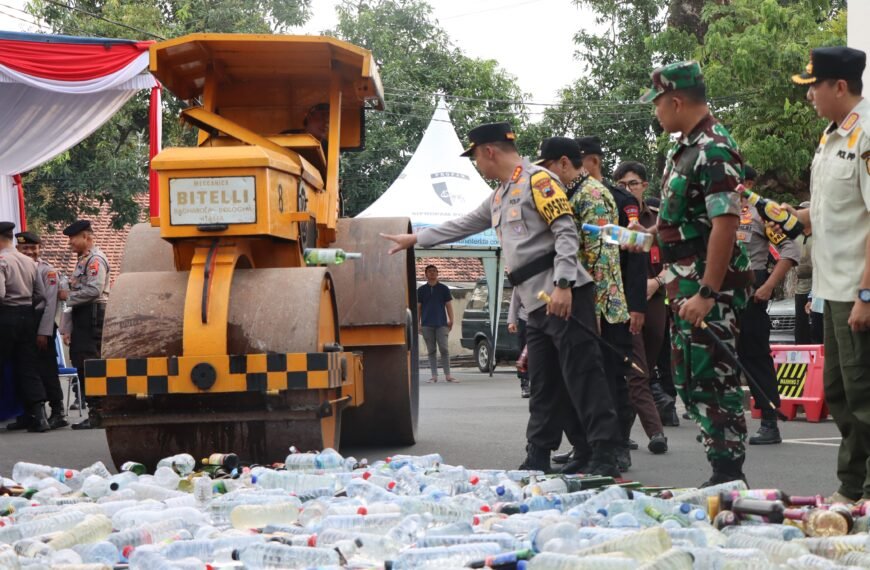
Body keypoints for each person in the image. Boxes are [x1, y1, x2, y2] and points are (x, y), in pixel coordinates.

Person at [382, 122, 622, 476]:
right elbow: (462, 224)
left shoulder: (538, 181)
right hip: (534, 301)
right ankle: (540, 454)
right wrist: (415, 239)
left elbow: (566, 232)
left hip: (562, 293)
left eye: (476, 157)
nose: (476, 164)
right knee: (544, 382)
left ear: (489, 151)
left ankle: (605, 453)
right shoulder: (499, 196)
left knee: (583, 376)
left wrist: (564, 283)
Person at [638, 60, 753, 485]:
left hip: (708, 290)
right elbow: (687, 222)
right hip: (683, 282)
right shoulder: (684, 147)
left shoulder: (713, 148)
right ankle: (721, 471)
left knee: (713, 378)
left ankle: (728, 475)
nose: (655, 112)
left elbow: (726, 224)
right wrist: (649, 233)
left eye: (657, 104)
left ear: (676, 100)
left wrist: (708, 290)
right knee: (690, 377)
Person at [535, 137, 665, 472]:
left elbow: (600, 258)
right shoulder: (570, 192)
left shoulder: (592, 194)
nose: (545, 176)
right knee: (579, 379)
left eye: (548, 167)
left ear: (564, 163)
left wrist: (590, 308)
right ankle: (588, 448)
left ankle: (613, 448)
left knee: (607, 380)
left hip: (600, 304)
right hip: (585, 300)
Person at [786, 46, 870, 502]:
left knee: (865, 396)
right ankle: (852, 487)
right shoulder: (831, 137)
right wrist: (784, 213)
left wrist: (867, 293)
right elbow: (827, 214)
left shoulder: (867, 136)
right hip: (830, 289)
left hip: (858, 290)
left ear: (840, 86)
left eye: (814, 87)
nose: (810, 96)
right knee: (840, 394)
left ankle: (866, 488)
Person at [734, 168, 800, 445]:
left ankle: (770, 422)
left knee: (755, 356)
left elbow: (791, 251)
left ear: (748, 184)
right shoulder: (715, 212)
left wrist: (769, 285)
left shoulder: (761, 214)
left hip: (752, 287)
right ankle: (725, 422)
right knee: (719, 354)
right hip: (721, 288)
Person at [613, 162, 679, 428]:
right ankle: (631, 432)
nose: (628, 189)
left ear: (644, 186)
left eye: (633, 184)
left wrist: (657, 281)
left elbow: (676, 259)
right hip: (623, 302)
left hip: (656, 298)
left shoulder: (656, 218)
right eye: (621, 185)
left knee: (647, 364)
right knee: (632, 369)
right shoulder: (613, 217)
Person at [59, 220, 110, 430]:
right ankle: (95, 411)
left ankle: (99, 413)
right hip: (83, 316)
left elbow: (94, 291)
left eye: (73, 238)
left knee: (90, 364)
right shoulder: (83, 261)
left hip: (93, 315)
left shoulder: (95, 260)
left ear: (86, 237)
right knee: (82, 363)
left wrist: (68, 295)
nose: (70, 242)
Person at [0, 221, 50, 432]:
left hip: (6, 316)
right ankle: (39, 416)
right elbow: (40, 294)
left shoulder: (1, 261)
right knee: (27, 367)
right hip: (27, 316)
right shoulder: (29, 261)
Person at [15, 231, 67, 429]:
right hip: (25, 321)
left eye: (33, 248)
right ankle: (31, 413)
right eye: (25, 248)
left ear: (39, 248)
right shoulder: (18, 266)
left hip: (42, 322)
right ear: (18, 249)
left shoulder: (47, 270)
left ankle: (58, 411)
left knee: (47, 369)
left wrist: (43, 332)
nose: (30, 252)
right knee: (26, 368)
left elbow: (50, 304)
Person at [417, 264, 457, 383]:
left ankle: (448, 375)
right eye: (430, 271)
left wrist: (451, 320)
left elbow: (448, 305)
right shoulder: (421, 290)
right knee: (431, 350)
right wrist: (418, 323)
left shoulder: (444, 289)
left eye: (434, 271)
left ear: (437, 273)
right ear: (426, 274)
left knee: (444, 349)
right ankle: (434, 376)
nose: (432, 273)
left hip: (442, 324)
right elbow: (418, 308)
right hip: (426, 324)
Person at [793, 201, 823, 345]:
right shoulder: (795, 236)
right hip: (800, 286)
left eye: (803, 212)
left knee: (817, 327)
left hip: (817, 285)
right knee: (800, 327)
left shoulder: (820, 235)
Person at [507, 288, 530, 397]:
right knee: (524, 353)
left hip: (546, 317)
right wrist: (512, 320)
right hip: (525, 318)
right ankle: (525, 384)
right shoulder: (523, 274)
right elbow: (515, 299)